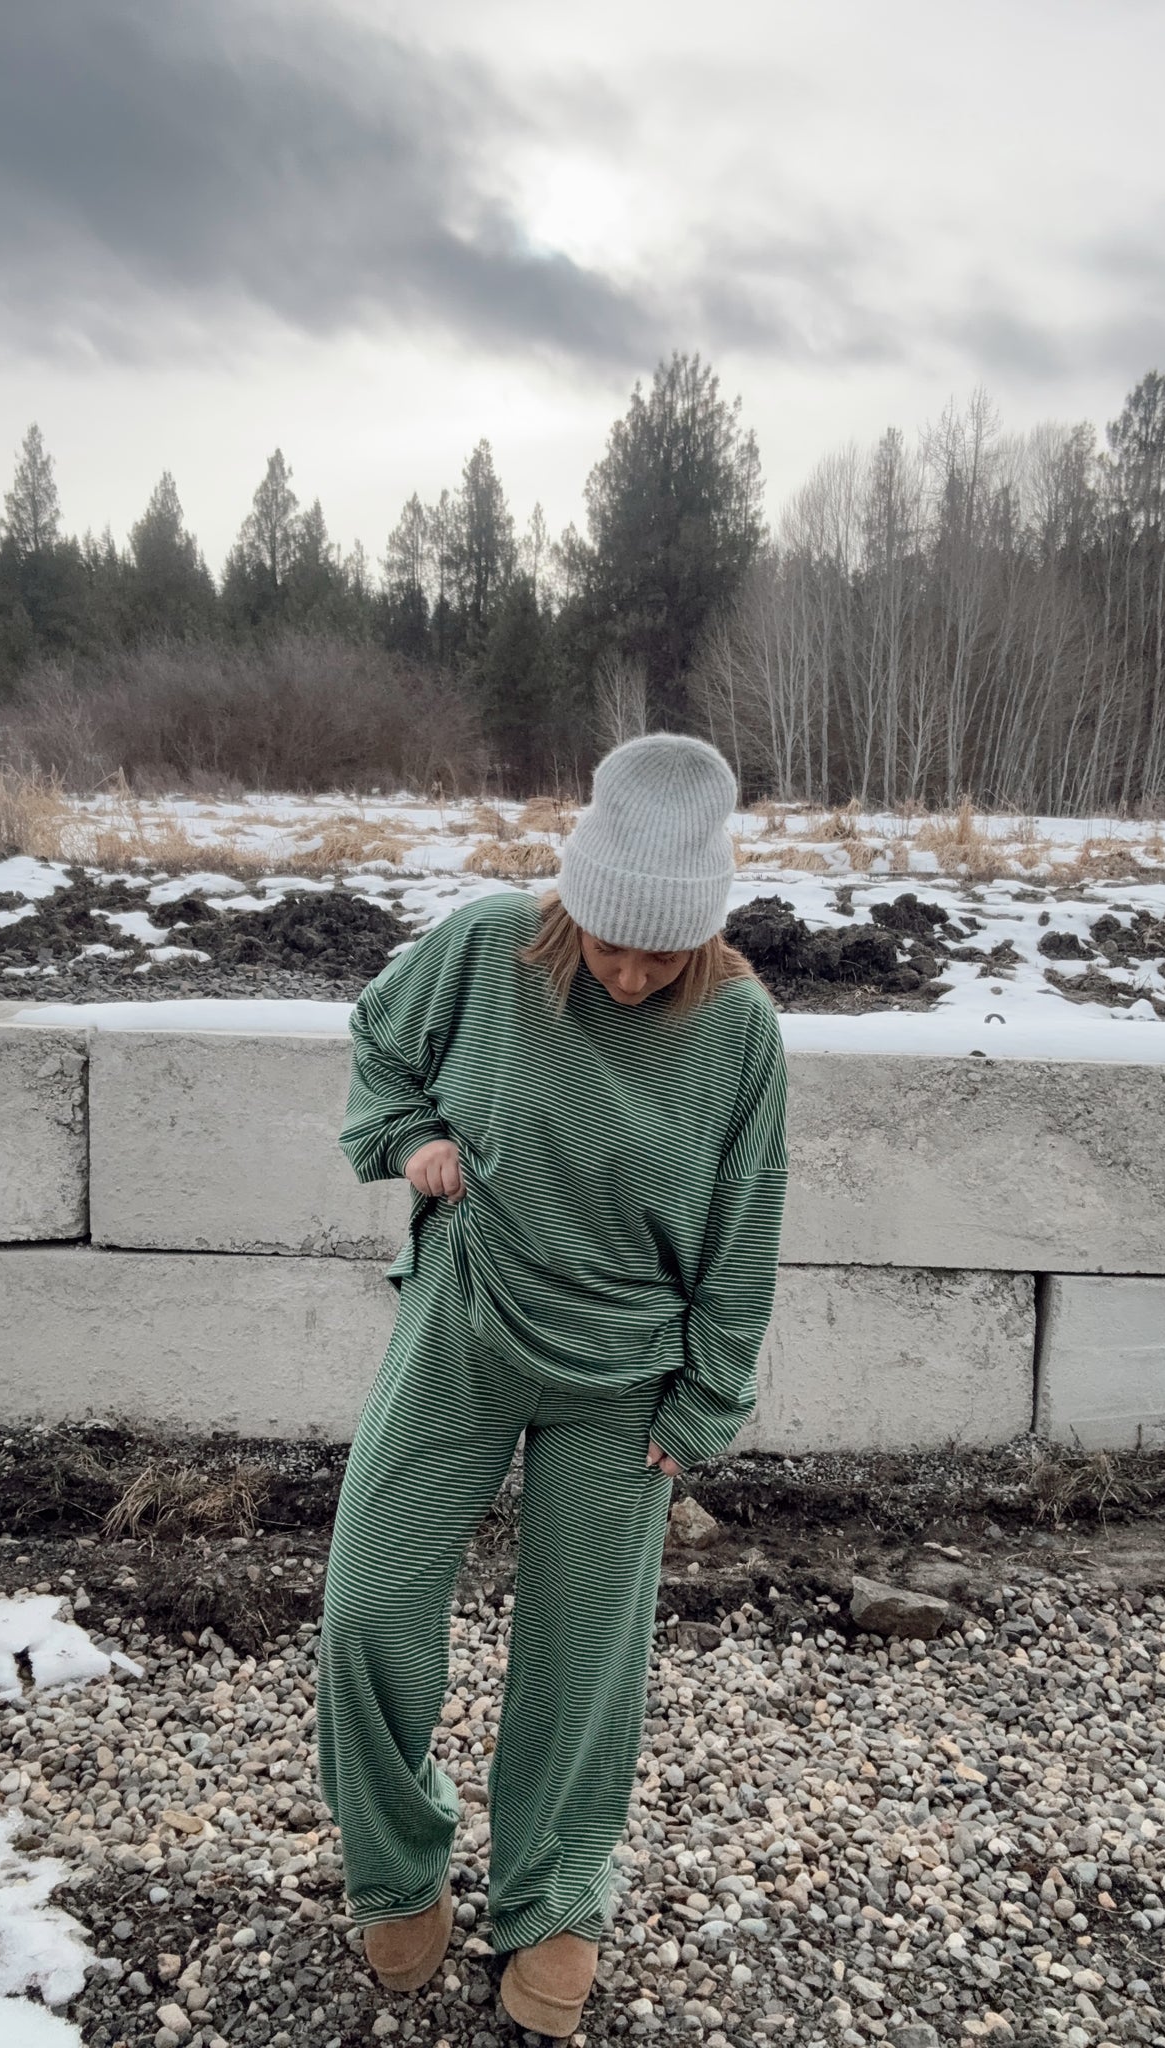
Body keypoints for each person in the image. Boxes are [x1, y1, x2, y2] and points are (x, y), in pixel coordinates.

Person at [316, 732, 789, 2039]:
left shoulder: (740, 1032)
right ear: (573, 900)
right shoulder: (484, 948)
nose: (631, 974)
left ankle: (555, 1897)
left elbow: (747, 1226)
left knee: (583, 1661)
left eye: (662, 954)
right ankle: (398, 1861)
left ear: (704, 934)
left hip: (625, 1373)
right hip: (467, 1315)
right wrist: (413, 1138)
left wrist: (703, 1400)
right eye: (610, 942)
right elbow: (380, 1045)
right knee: (367, 1607)